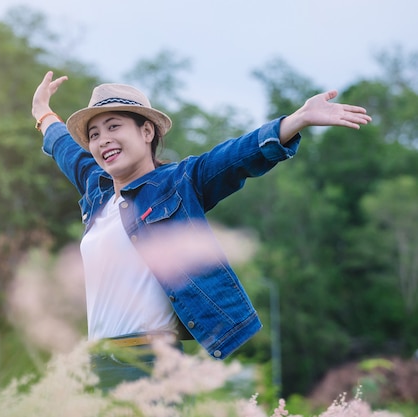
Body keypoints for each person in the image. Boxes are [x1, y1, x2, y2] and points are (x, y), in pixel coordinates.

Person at [31, 71, 371, 390]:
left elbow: (236, 156)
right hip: (95, 362)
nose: (103, 140)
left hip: (150, 363)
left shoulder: (178, 183)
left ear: (146, 132)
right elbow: (65, 150)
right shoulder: (97, 190)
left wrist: (296, 120)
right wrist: (43, 113)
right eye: (94, 134)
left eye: (113, 126)